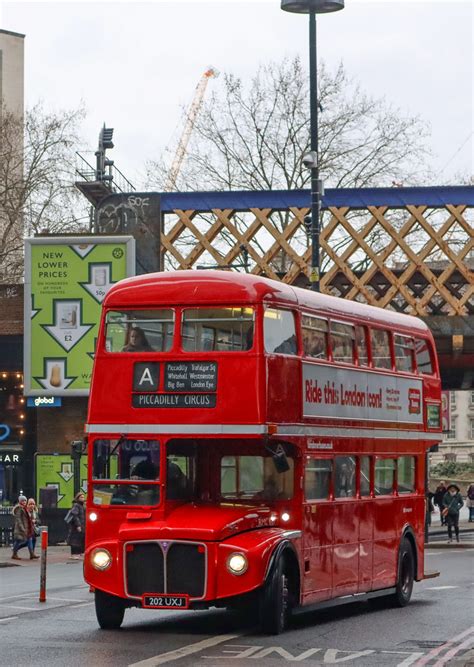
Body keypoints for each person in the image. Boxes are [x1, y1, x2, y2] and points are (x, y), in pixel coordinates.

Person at [11, 495, 38, 560]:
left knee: (29, 539)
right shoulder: (19, 508)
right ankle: (14, 554)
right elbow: (19, 520)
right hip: (20, 529)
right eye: (22, 501)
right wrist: (22, 528)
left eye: (25, 500)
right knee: (18, 541)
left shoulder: (24, 508)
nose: (24, 502)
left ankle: (31, 554)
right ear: (20, 501)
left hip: (27, 528)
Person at [67, 492, 86, 559]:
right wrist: (78, 525)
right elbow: (75, 515)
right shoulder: (76, 505)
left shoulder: (82, 506)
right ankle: (74, 554)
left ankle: (80, 553)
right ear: (77, 498)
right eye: (81, 497)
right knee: (75, 540)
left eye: (83, 497)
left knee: (81, 539)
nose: (83, 498)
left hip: (82, 525)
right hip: (76, 526)